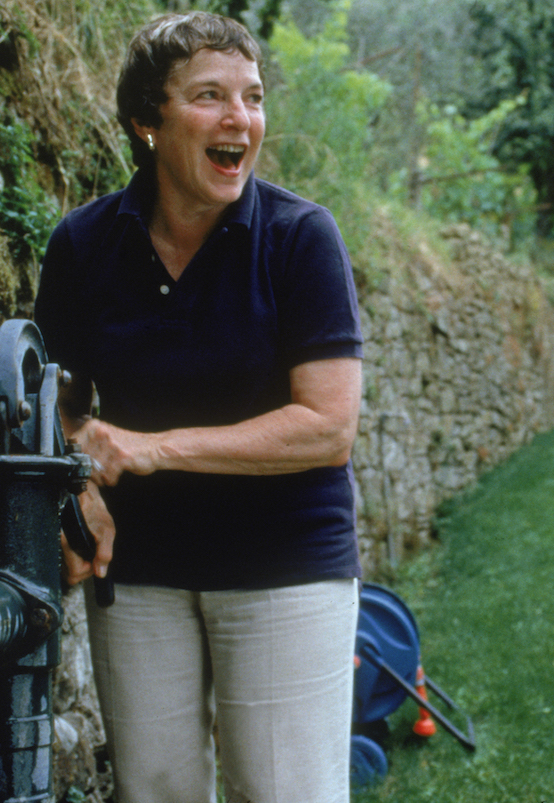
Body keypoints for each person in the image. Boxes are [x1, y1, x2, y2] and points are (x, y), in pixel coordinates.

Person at [33, 12, 364, 803]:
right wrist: (78, 475)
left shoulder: (299, 238)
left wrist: (155, 448)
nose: (238, 119)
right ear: (147, 121)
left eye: (251, 98)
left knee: (283, 792)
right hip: (139, 571)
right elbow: (56, 398)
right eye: (210, 96)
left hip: (283, 565)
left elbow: (327, 426)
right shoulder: (82, 245)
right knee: (154, 793)